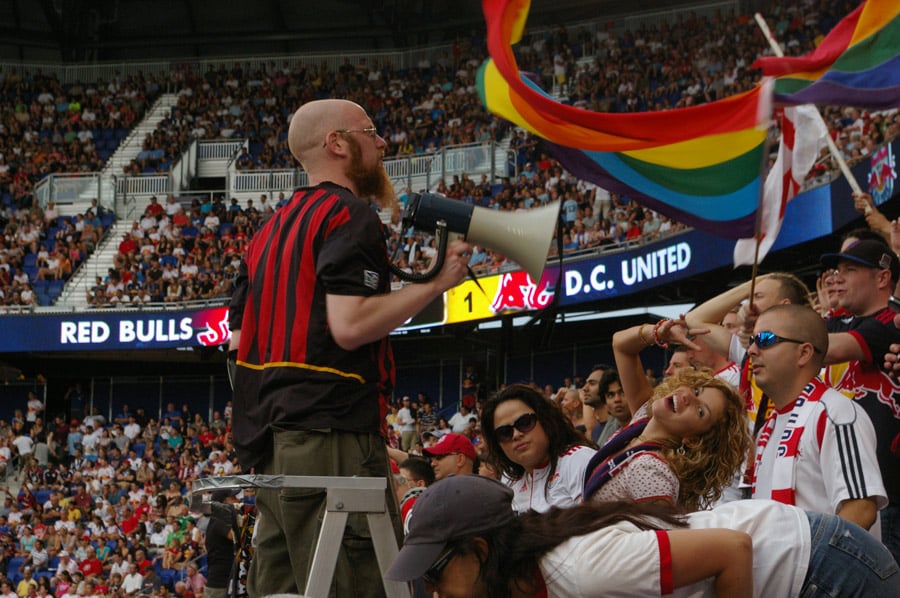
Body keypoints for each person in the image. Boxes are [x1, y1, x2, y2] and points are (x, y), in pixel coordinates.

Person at [231, 98, 471, 597]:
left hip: (273, 446)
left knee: (281, 588)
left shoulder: (267, 232)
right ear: (337, 144)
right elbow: (349, 325)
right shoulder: (348, 215)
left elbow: (236, 339)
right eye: (371, 131)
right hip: (332, 438)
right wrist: (437, 282)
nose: (382, 143)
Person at [386, 475, 900, 597]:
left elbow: (731, 548)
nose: (433, 591)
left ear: (478, 550)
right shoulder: (534, 573)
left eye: (435, 571)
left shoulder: (579, 569)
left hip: (829, 568)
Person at [748, 304, 886, 534]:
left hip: (823, 569)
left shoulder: (836, 413)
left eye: (765, 339)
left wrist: (811, 568)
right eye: (752, 340)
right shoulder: (766, 430)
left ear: (804, 353)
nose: (752, 349)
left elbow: (861, 509)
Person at [583, 320, 751, 510]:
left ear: (694, 440)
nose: (688, 397)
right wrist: (658, 332)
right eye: (696, 391)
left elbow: (657, 539)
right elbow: (621, 345)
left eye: (700, 410)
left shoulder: (653, 473)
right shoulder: (642, 418)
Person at [819, 239, 900, 560]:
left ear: (882, 278)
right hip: (843, 490)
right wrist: (760, 331)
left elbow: (822, 347)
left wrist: (766, 334)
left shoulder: (891, 322)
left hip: (886, 497)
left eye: (850, 270)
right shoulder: (836, 323)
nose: (837, 278)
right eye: (836, 271)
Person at [481, 384, 596, 513]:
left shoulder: (578, 460)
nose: (516, 435)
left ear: (545, 420)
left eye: (524, 423)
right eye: (505, 432)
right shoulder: (508, 480)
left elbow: (608, 527)